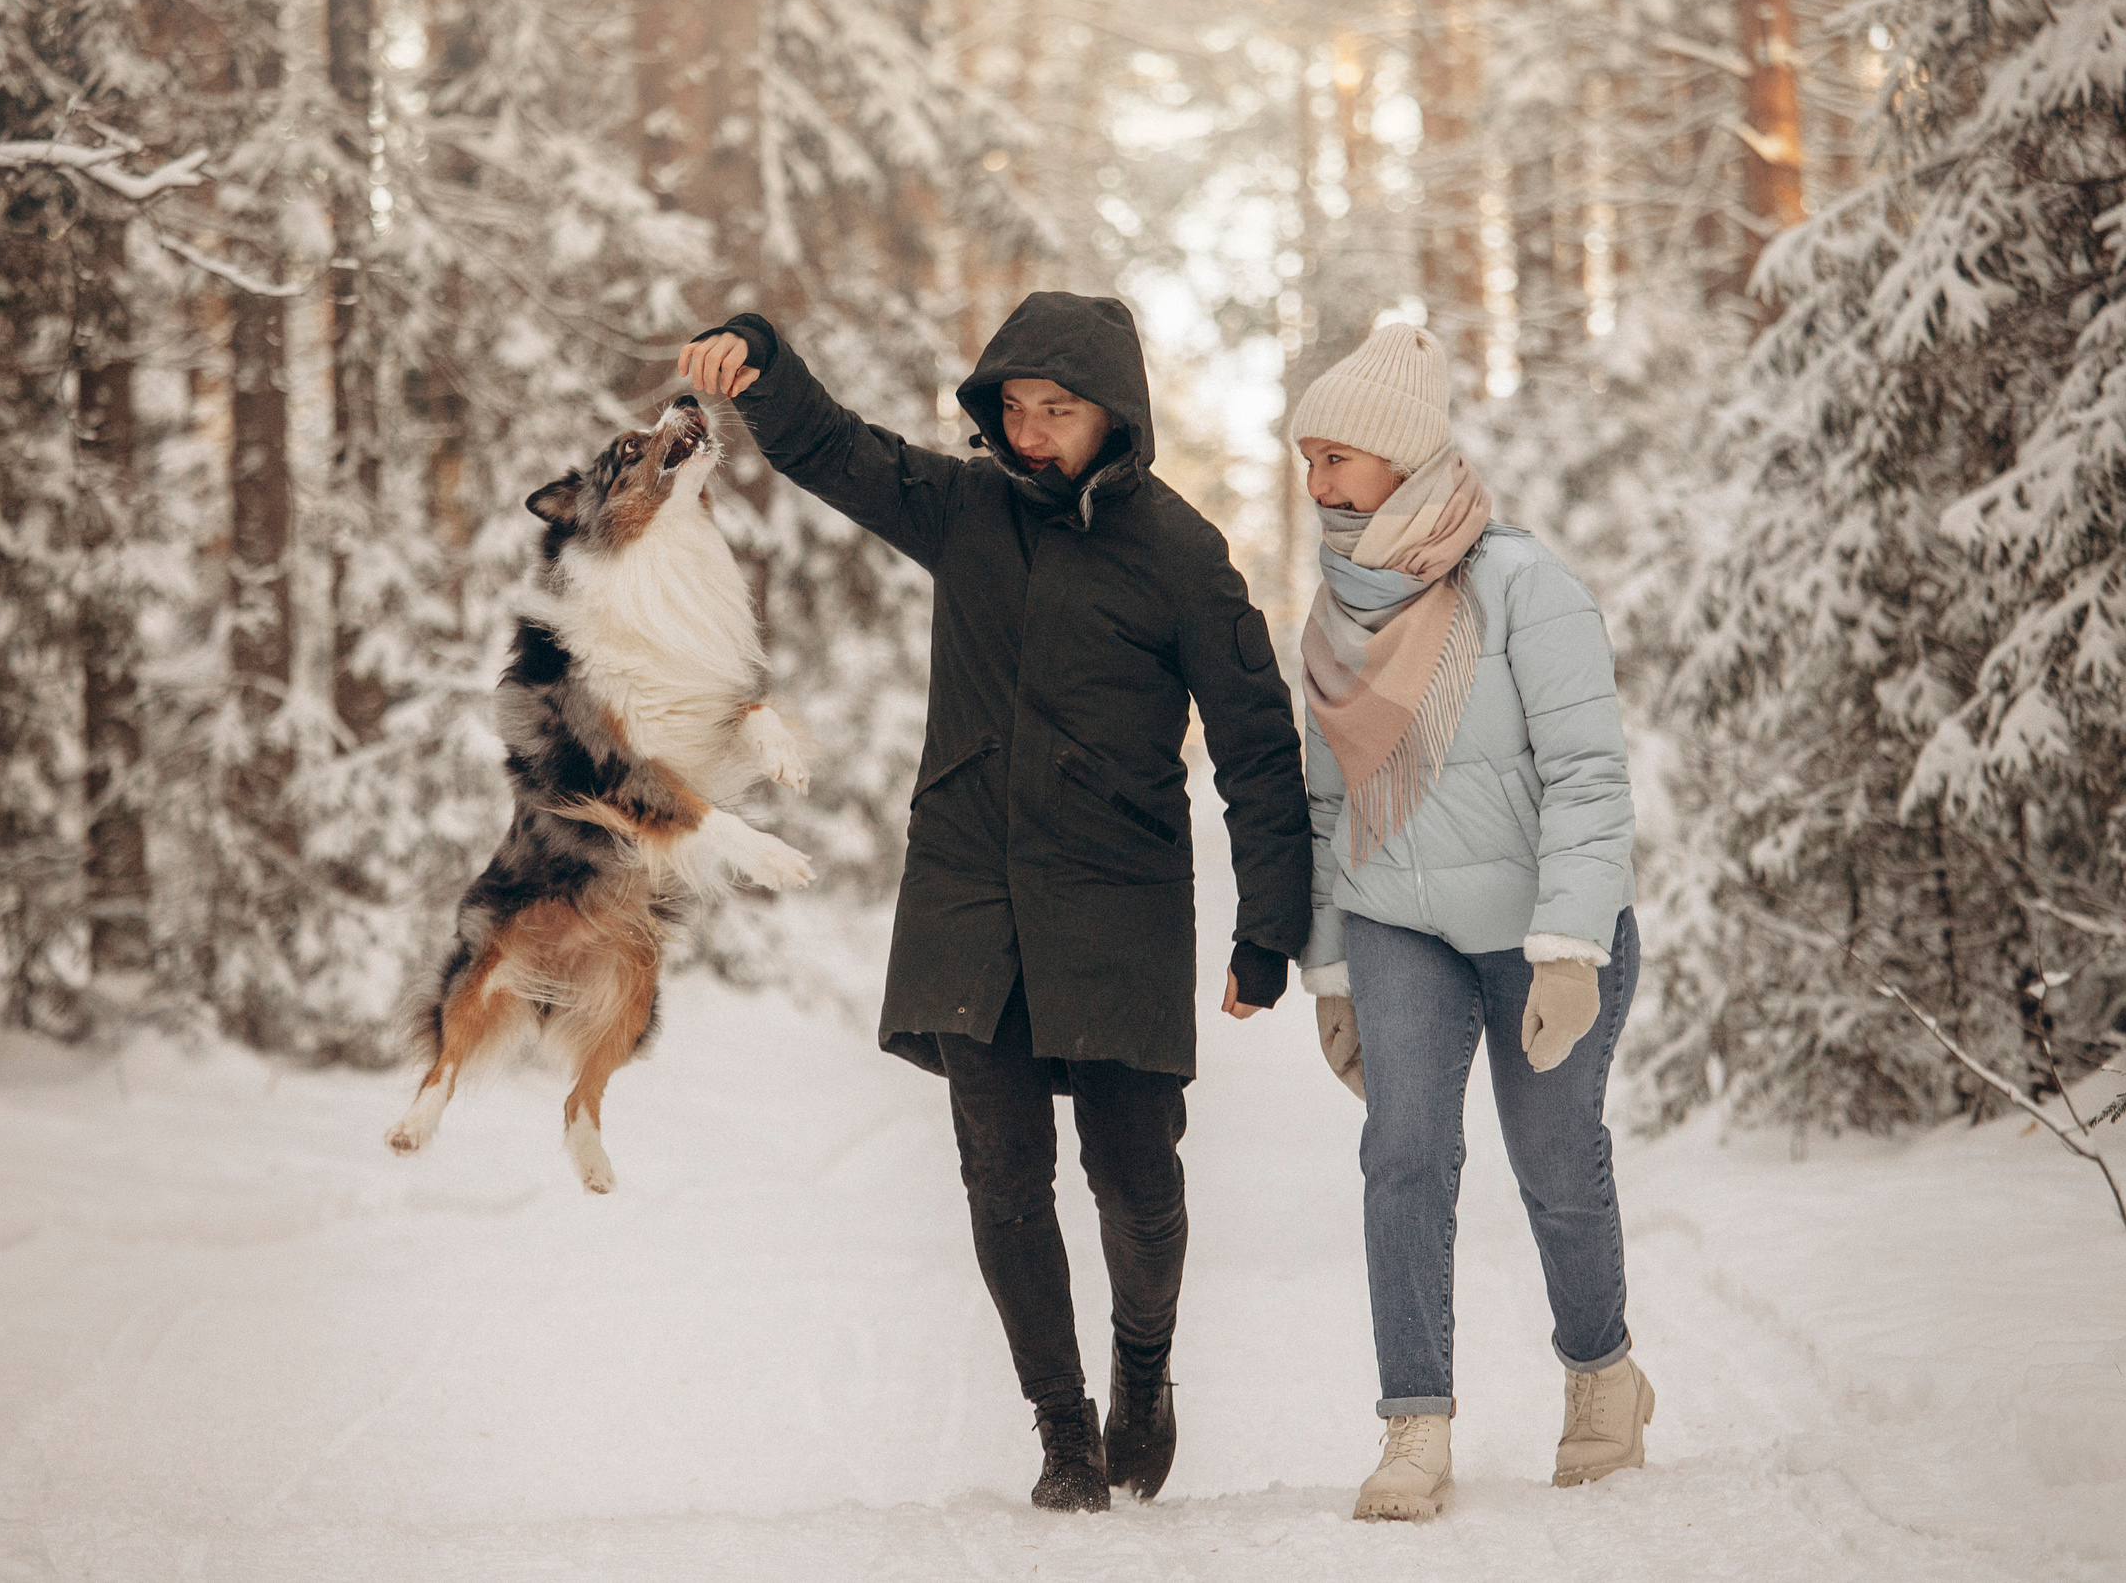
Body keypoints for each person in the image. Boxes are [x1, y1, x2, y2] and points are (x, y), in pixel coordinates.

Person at [676, 294, 1310, 1513]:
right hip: (971, 887)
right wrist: (760, 355)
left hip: (1115, 895)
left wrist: (1265, 927)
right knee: (1001, 1178)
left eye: (1054, 413)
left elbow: (1255, 748)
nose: (1028, 435)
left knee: (1135, 1181)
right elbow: (832, 448)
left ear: (1113, 417)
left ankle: (1142, 1364)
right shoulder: (963, 511)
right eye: (1012, 409)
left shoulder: (1182, 556)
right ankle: (1062, 1429)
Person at [1287, 322, 1649, 1520]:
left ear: (1403, 459)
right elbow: (1327, 804)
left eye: (1338, 455)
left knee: (1553, 1161)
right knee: (1401, 1156)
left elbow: (1590, 776)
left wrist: (1567, 945)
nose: (1318, 481)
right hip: (1398, 922)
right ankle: (1414, 1426)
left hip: (1541, 930)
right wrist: (1331, 972)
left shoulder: (1522, 584)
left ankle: (1602, 1378)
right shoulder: (1332, 616)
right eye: (1307, 459)